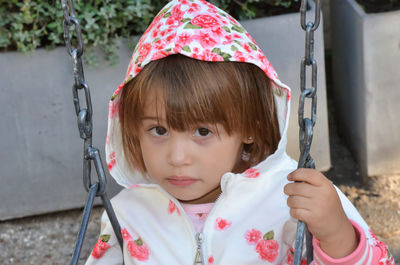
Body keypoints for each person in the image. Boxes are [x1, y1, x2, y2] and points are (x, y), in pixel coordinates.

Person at [85, 0, 396, 264]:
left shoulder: (287, 197)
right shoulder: (128, 214)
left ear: (249, 127)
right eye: (159, 130)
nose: (177, 157)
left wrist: (336, 233)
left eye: (203, 131)